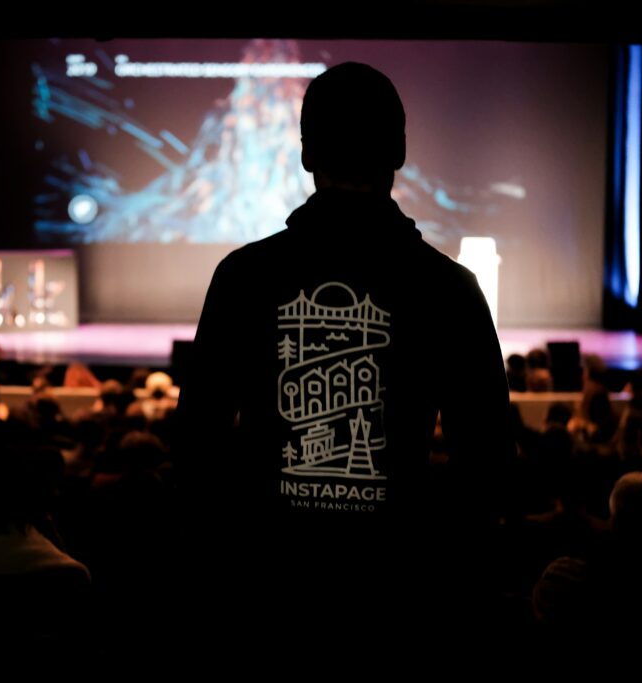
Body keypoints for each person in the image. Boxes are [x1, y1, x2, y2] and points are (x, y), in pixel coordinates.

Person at [176, 62, 514, 647]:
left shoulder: (242, 277)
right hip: (398, 599)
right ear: (400, 151)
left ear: (306, 154)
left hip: (266, 597)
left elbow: (195, 449)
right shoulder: (450, 289)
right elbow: (486, 467)